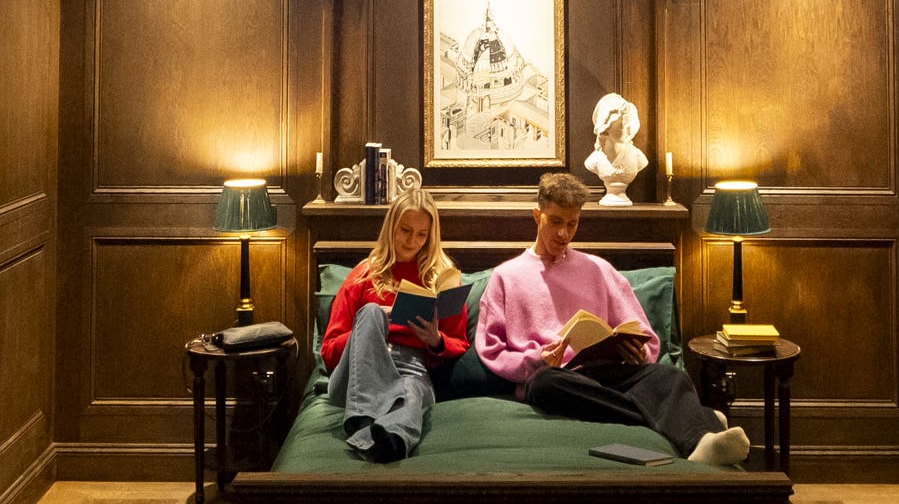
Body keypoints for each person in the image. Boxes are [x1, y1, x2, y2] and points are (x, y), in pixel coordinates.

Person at [474, 172, 752, 466]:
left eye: (572, 224)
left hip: (608, 374)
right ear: (536, 215)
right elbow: (491, 350)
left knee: (669, 376)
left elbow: (642, 332)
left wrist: (638, 351)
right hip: (557, 378)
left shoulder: (598, 269)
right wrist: (536, 360)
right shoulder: (506, 276)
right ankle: (698, 418)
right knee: (545, 385)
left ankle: (703, 442)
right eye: (555, 222)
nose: (563, 234)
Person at [319, 190, 468, 462]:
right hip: (356, 374)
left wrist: (435, 340)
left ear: (431, 236)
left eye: (422, 235)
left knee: (410, 390)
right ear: (391, 228)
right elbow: (328, 352)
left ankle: (391, 442)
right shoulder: (364, 275)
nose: (412, 241)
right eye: (405, 230)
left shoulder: (441, 278)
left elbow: (459, 342)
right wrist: (372, 326)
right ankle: (364, 419)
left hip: (411, 369)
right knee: (371, 312)